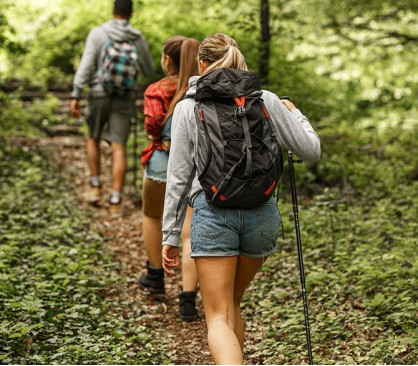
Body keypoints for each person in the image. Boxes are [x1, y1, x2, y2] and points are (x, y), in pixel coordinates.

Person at [161, 33, 321, 364]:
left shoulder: (188, 108)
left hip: (213, 212)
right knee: (232, 302)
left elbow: (177, 179)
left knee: (217, 315)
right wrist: (296, 113)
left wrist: (171, 235)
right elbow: (311, 151)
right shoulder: (267, 100)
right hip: (261, 215)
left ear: (201, 64)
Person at [70, 0, 154, 217]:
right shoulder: (137, 37)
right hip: (124, 95)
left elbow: (87, 64)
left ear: (113, 10)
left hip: (98, 92)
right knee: (119, 146)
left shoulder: (99, 33)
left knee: (93, 137)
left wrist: (77, 93)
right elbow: (149, 69)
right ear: (131, 13)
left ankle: (95, 186)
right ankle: (116, 199)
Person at [138, 36, 201, 321]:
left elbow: (152, 124)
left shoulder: (157, 90)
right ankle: (187, 299)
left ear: (167, 60)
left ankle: (155, 277)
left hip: (161, 164)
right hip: (196, 167)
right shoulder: (202, 90)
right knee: (188, 234)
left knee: (152, 216)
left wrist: (159, 138)